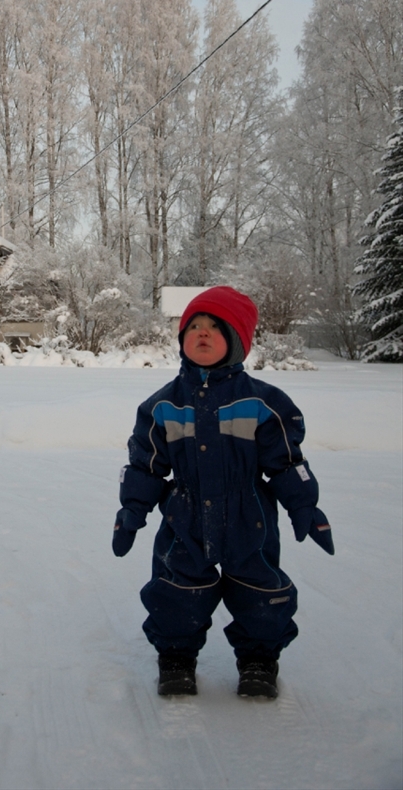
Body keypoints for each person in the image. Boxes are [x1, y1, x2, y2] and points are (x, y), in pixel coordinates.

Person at [112, 286, 334, 699]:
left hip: (249, 516)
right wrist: (131, 511)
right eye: (194, 326)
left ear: (237, 341)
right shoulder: (162, 406)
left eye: (215, 327)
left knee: (259, 589)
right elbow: (144, 464)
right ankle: (176, 656)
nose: (202, 332)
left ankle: (258, 659)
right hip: (185, 515)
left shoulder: (264, 403)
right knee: (176, 588)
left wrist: (306, 506)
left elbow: (287, 463)